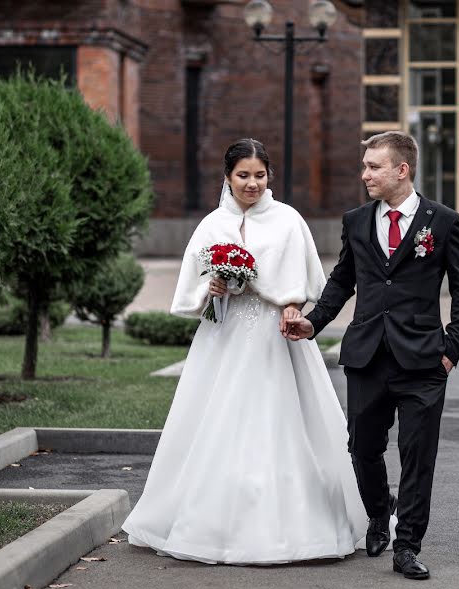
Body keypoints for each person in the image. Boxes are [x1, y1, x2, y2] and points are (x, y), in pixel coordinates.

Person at [122, 138, 369, 565]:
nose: (252, 183)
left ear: (269, 175)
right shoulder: (212, 224)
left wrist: (291, 301)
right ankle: (208, 521)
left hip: (275, 335)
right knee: (216, 418)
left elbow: (304, 279)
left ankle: (298, 524)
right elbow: (192, 287)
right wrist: (212, 287)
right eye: (243, 176)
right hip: (224, 336)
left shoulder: (288, 220)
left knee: (279, 419)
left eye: (259, 175)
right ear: (228, 177)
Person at [283, 131, 459, 579]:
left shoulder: (443, 222)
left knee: (417, 456)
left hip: (425, 360)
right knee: (363, 448)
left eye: (373, 166)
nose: (364, 174)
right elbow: (341, 280)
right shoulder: (355, 221)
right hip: (368, 355)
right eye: (365, 165)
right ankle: (377, 513)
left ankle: (407, 545)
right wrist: (314, 322)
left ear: (401, 170)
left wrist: (451, 350)